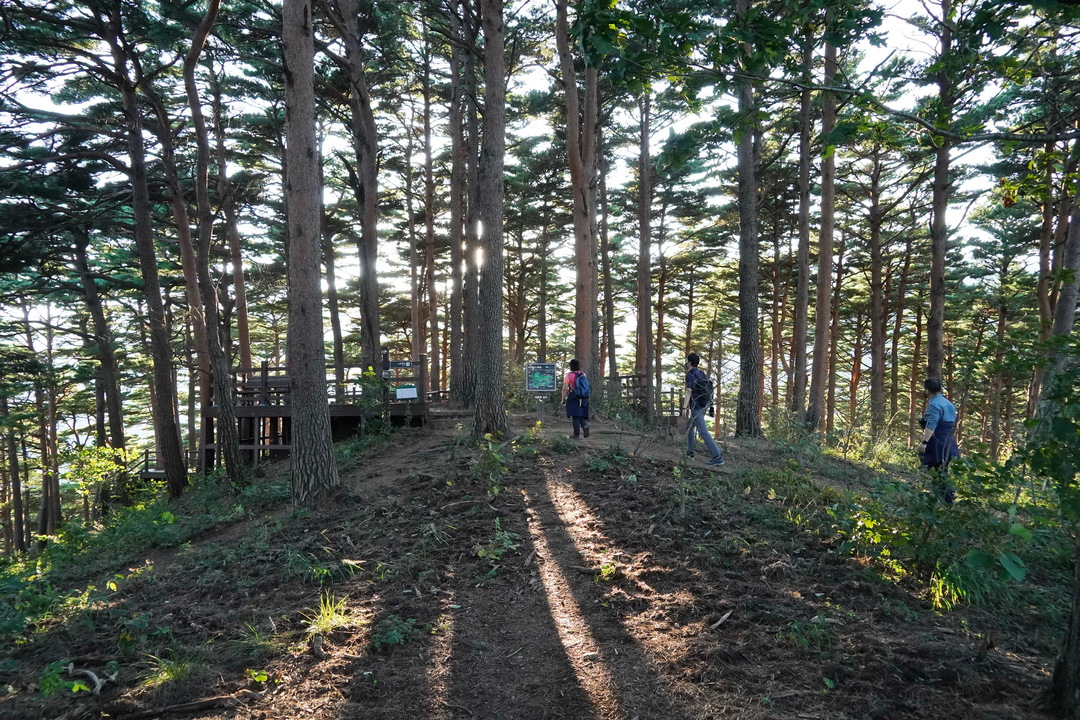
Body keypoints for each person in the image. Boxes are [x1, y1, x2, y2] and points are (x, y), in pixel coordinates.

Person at [919, 377, 959, 503]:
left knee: (936, 469)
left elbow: (932, 425)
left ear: (927, 390)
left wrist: (924, 442)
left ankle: (944, 499)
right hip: (949, 441)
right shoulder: (948, 403)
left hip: (937, 441)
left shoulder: (934, 405)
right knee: (944, 468)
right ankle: (949, 495)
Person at [682, 353, 724, 466]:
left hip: (696, 406)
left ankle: (717, 456)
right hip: (704, 405)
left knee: (703, 432)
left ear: (689, 362)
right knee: (689, 426)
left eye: (687, 361)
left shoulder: (690, 374)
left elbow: (688, 391)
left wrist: (684, 407)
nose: (686, 363)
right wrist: (711, 407)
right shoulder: (702, 374)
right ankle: (690, 451)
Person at [561, 359, 590, 439]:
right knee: (580, 413)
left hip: (573, 397)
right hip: (583, 397)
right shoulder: (583, 374)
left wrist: (562, 399)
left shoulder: (569, 376)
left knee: (575, 416)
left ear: (571, 366)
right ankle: (584, 425)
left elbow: (565, 389)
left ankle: (576, 434)